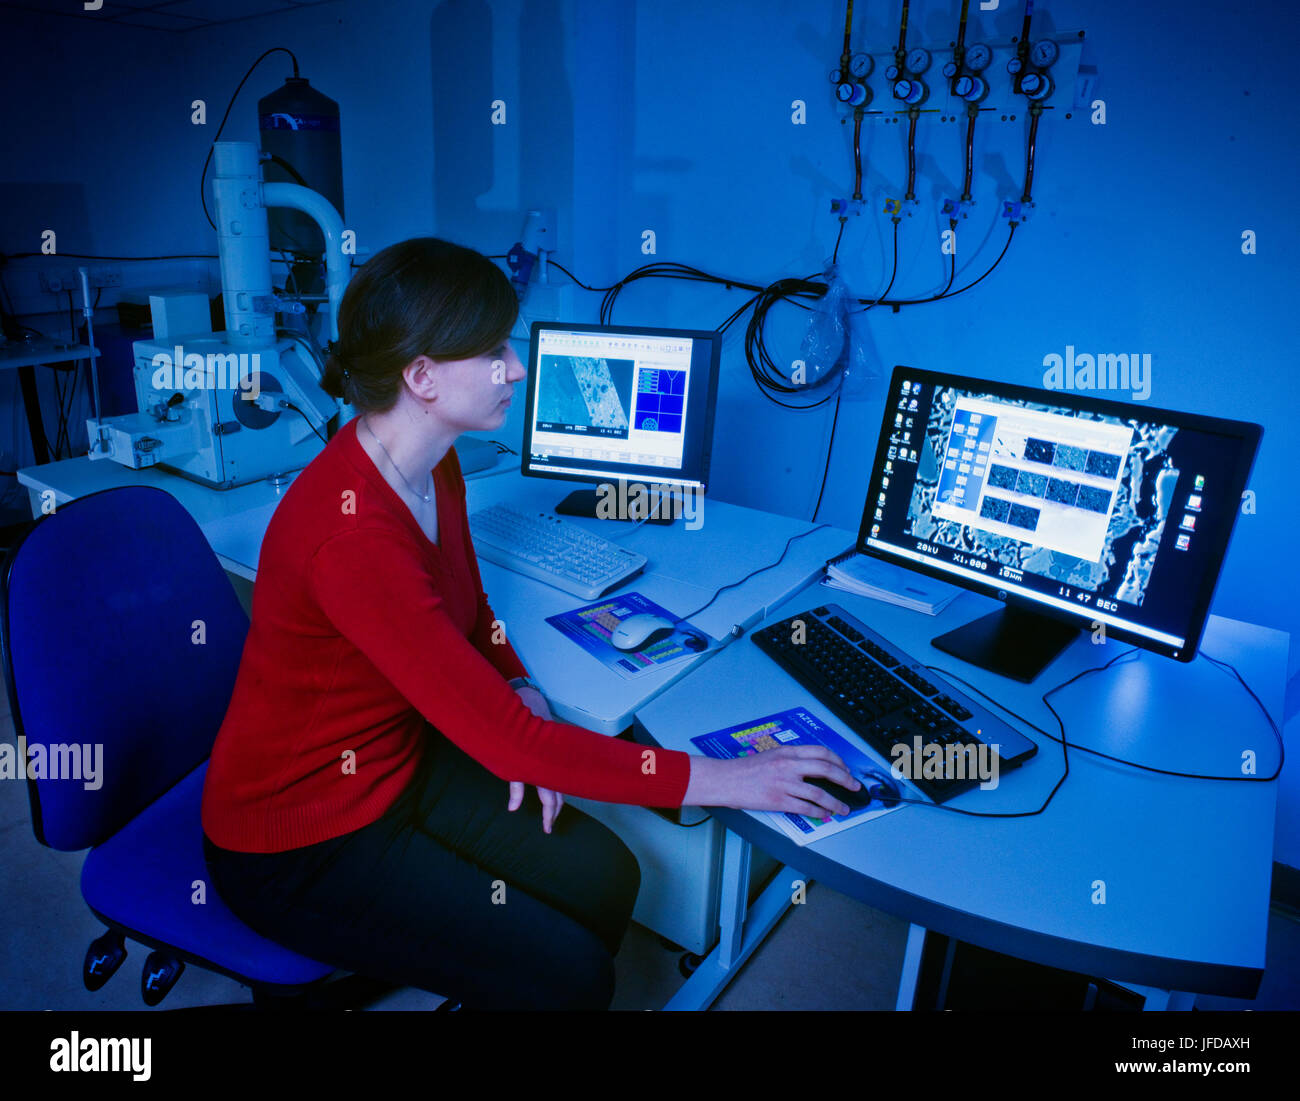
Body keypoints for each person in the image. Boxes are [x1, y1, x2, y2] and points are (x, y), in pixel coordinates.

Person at [200, 236, 857, 1010]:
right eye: (492, 352)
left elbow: (474, 611)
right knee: (571, 974)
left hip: (396, 760)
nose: (515, 367)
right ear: (421, 378)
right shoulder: (351, 537)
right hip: (300, 836)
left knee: (609, 878)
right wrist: (728, 780)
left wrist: (513, 676)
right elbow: (515, 746)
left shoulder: (432, 459)